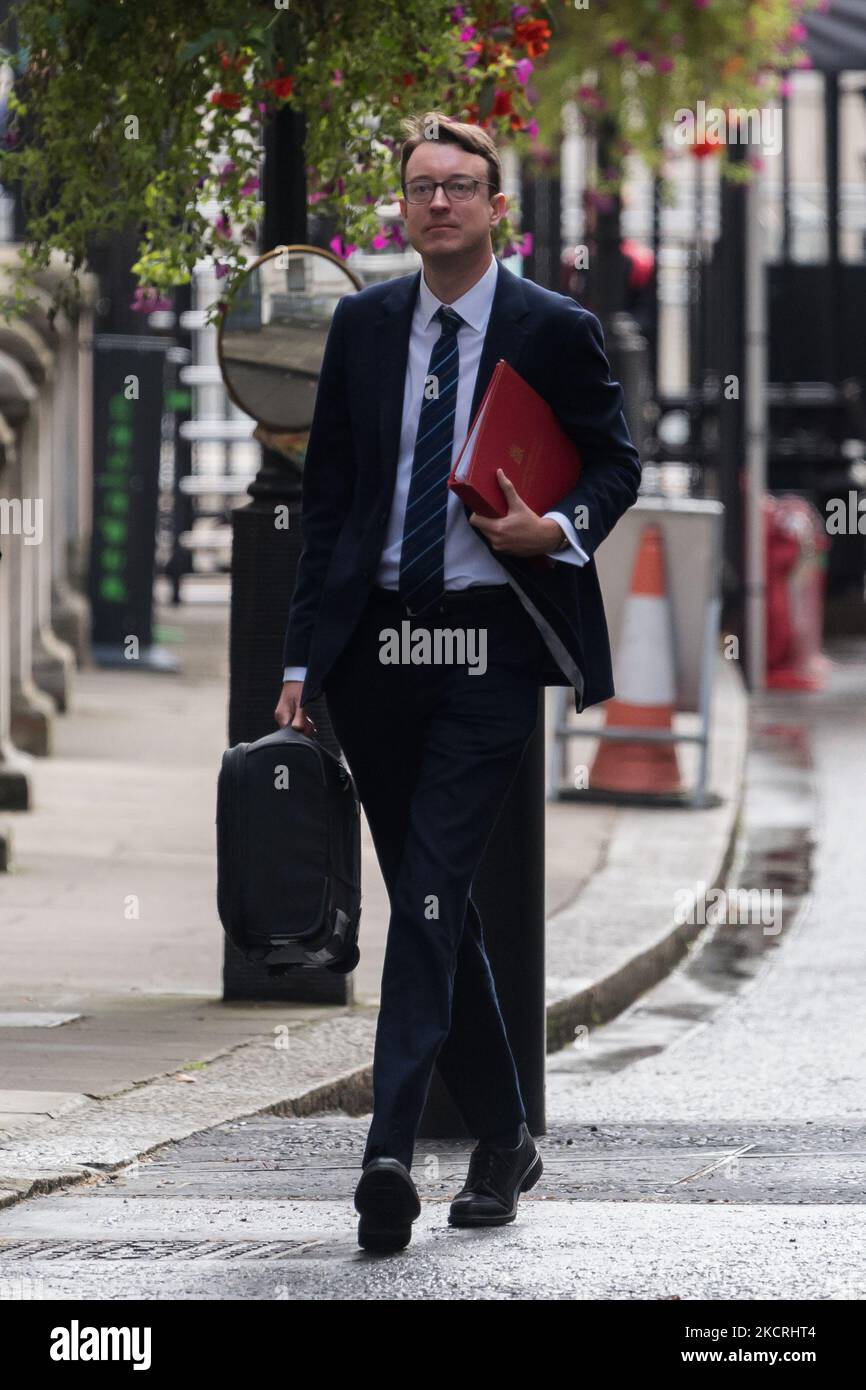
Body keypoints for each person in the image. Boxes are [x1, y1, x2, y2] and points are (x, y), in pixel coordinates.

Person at [274, 110, 641, 1252]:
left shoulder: (552, 327)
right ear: (403, 205)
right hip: (378, 648)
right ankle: (503, 1134)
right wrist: (298, 656)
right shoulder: (366, 326)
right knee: (436, 901)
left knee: (430, 885)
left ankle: (386, 1148)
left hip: (489, 642)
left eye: (459, 185)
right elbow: (329, 497)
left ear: (494, 207)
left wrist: (558, 529)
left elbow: (615, 461)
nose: (438, 202)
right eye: (421, 185)